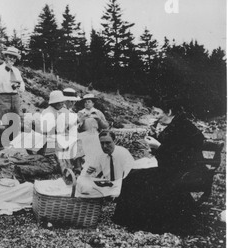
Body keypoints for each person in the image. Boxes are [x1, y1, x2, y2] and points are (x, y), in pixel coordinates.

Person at [112, 102, 205, 234]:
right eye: (153, 113)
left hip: (186, 170)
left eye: (157, 113)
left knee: (142, 179)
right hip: (170, 168)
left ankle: (144, 222)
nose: (155, 116)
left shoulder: (184, 126)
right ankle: (132, 220)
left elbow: (183, 154)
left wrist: (159, 146)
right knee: (133, 175)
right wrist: (154, 141)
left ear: (170, 111)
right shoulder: (170, 126)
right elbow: (167, 154)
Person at [77, 131, 134, 196]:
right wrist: (88, 173)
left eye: (108, 143)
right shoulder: (100, 154)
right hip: (106, 186)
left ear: (114, 141)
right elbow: (91, 169)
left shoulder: (123, 153)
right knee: (82, 183)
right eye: (102, 143)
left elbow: (130, 175)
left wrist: (117, 184)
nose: (104, 146)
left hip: (120, 184)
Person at [0, 46, 25, 120]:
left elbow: (22, 88)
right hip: (1, 98)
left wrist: (18, 86)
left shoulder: (16, 71)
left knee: (15, 124)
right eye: (10, 56)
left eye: (14, 57)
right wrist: (6, 70)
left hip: (15, 99)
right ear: (5, 56)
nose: (12, 59)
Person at [77, 93, 109, 167]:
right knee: (84, 154)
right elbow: (77, 127)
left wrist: (99, 120)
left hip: (94, 135)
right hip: (83, 136)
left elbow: (106, 126)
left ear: (93, 103)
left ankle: (96, 168)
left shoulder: (97, 112)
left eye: (89, 102)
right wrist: (82, 120)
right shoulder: (80, 113)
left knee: (96, 153)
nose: (86, 103)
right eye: (85, 102)